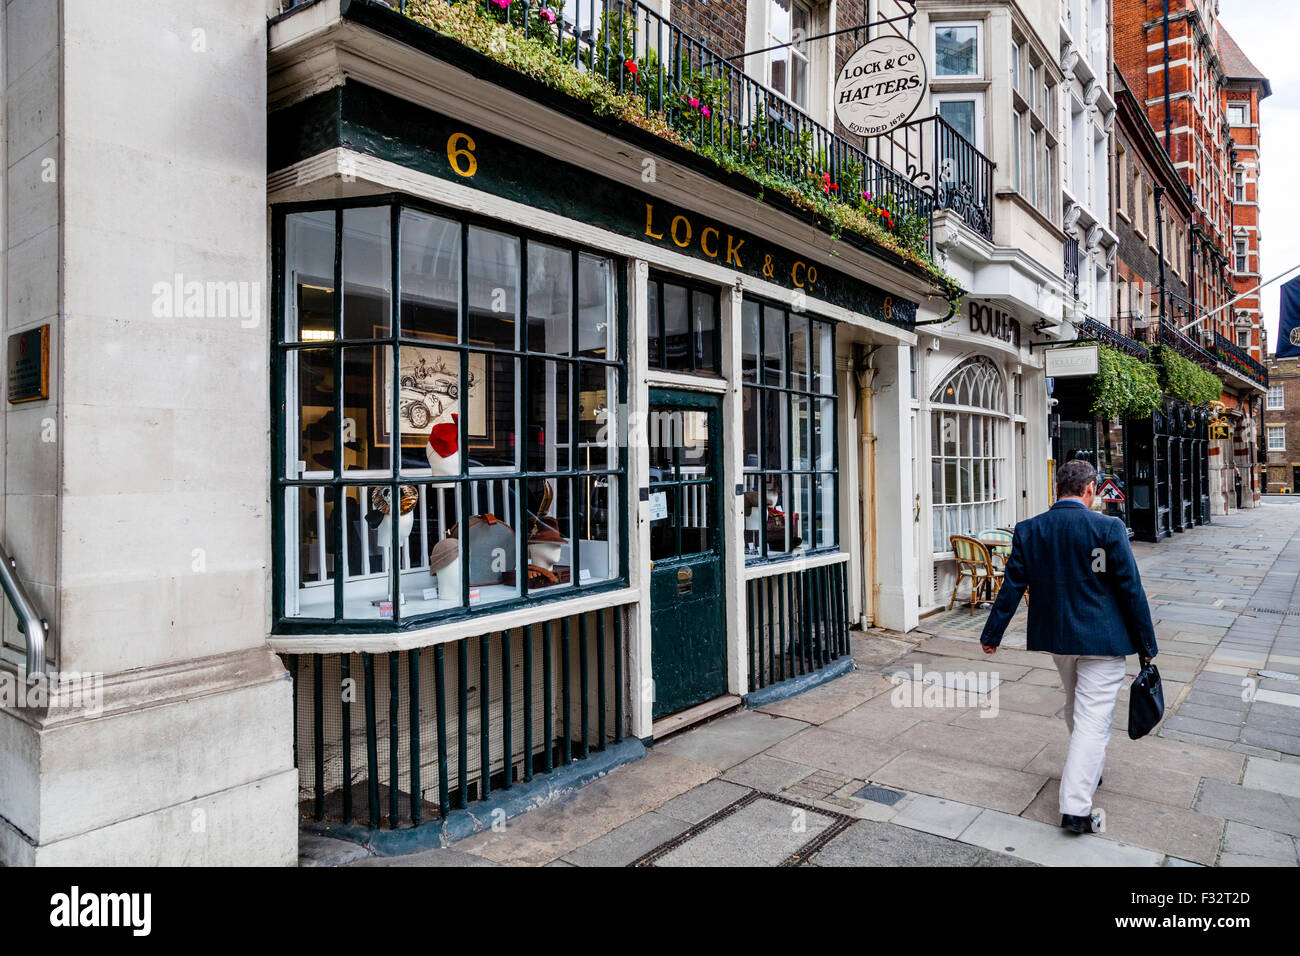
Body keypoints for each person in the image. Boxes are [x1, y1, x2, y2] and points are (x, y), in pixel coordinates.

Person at [978, 459, 1158, 834]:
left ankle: (1087, 768)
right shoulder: (1108, 528)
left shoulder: (1031, 530)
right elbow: (1130, 590)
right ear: (1090, 489)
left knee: (1077, 707)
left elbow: (1011, 586)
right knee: (1093, 719)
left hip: (1059, 639)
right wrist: (1146, 646)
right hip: (1104, 641)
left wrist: (992, 635)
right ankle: (1076, 809)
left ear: (1057, 488)